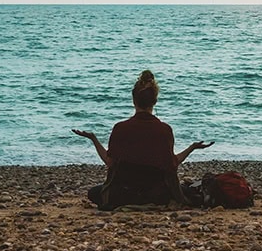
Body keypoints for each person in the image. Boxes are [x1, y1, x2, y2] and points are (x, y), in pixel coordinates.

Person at [72, 70, 214, 210]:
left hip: (125, 193)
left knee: (94, 193)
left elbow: (110, 163)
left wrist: (94, 139)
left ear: (133, 100)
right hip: (156, 194)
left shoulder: (120, 128)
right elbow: (172, 165)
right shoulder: (164, 129)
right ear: (155, 101)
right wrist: (191, 148)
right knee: (187, 189)